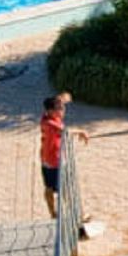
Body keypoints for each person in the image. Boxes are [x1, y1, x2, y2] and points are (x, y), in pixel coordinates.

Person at [38, 93, 89, 221]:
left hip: (50, 159)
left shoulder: (48, 115)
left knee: (54, 188)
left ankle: (58, 214)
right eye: (59, 108)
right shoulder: (49, 124)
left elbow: (60, 99)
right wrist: (82, 131)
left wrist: (62, 98)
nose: (62, 110)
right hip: (53, 162)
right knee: (63, 188)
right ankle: (75, 216)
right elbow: (65, 132)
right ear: (50, 111)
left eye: (63, 107)